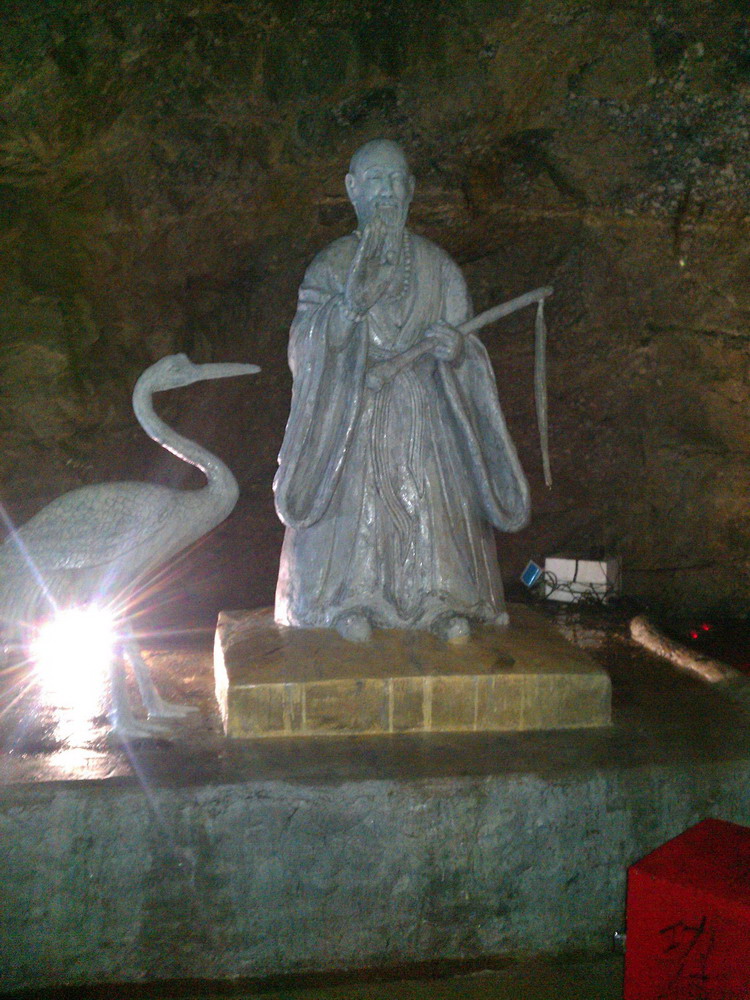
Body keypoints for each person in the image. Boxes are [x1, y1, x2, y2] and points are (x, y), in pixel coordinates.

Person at [274, 139, 530, 642]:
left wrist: (457, 351)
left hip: (428, 420)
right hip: (353, 417)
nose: (387, 192)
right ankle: (347, 601)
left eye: (396, 180)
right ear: (352, 189)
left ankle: (445, 601)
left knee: (432, 507)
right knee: (356, 511)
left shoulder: (440, 268)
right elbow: (303, 350)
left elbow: (470, 352)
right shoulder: (332, 265)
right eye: (375, 180)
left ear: (412, 190)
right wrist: (348, 308)